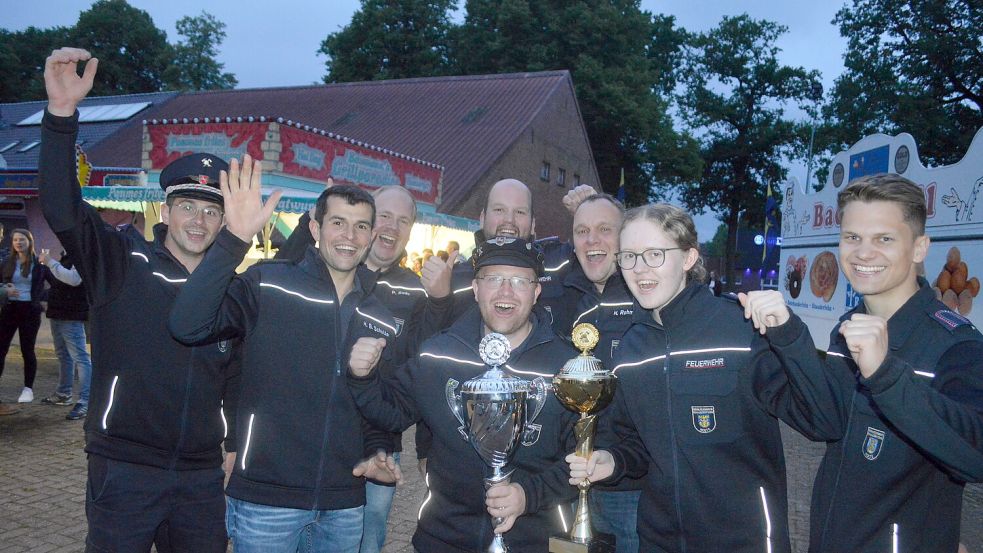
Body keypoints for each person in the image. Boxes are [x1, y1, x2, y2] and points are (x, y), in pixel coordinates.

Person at [40, 47, 241, 552]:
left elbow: (238, 376)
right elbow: (64, 208)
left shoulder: (232, 288)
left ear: (224, 222)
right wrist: (61, 116)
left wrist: (234, 442)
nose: (198, 220)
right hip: (124, 468)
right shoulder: (119, 261)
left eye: (211, 211)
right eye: (187, 206)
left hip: (200, 478)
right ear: (165, 211)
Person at [568, 203, 841, 553]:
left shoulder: (739, 330)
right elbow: (636, 443)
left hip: (744, 541)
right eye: (629, 257)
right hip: (658, 539)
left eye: (654, 254)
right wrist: (613, 461)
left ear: (687, 258)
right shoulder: (631, 348)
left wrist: (789, 335)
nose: (640, 269)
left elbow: (823, 421)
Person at [168, 171, 401, 553]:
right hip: (266, 498)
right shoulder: (268, 284)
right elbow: (187, 325)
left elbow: (376, 404)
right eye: (338, 223)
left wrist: (375, 450)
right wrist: (234, 241)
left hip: (344, 503)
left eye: (361, 227)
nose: (349, 236)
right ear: (315, 228)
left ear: (372, 237)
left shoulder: (379, 316)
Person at [781, 174, 982, 552]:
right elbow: (827, 422)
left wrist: (886, 375)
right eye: (852, 237)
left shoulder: (957, 344)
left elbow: (976, 456)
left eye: (884, 239)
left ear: (920, 248)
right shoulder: (847, 328)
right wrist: (782, 341)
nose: (863, 253)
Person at [347, 236, 579, 552]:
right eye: (493, 279)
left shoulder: (566, 366)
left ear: (536, 291)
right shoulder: (438, 354)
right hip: (444, 538)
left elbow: (584, 456)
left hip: (535, 541)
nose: (505, 291)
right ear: (475, 288)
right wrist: (363, 377)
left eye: (519, 281)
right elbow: (391, 411)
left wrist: (528, 495)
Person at [273, 184, 452, 553]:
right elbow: (282, 273)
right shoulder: (320, 273)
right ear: (368, 223)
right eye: (385, 215)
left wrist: (438, 302)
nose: (392, 226)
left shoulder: (417, 291)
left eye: (404, 220)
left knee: (366, 541)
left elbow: (420, 365)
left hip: (377, 446)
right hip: (306, 437)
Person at [538, 192, 641, 552]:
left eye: (604, 229)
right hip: (568, 474)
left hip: (628, 484)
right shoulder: (568, 299)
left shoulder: (647, 298)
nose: (592, 240)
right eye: (582, 231)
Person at [38, 249, 93, 420]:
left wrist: (49, 262)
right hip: (58, 313)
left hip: (71, 314)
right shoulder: (67, 255)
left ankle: (86, 401)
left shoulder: (82, 254)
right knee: (63, 355)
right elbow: (59, 282)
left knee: (80, 358)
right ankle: (64, 393)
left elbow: (74, 280)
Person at [0, 228, 50, 404]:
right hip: (9, 309)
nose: (18, 243)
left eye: (22, 240)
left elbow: (53, 284)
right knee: (1, 349)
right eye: (15, 240)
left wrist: (43, 299)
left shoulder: (39, 264)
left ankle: (28, 389)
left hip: (30, 310)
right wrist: (5, 289)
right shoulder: (6, 261)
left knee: (27, 350)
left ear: (30, 242)